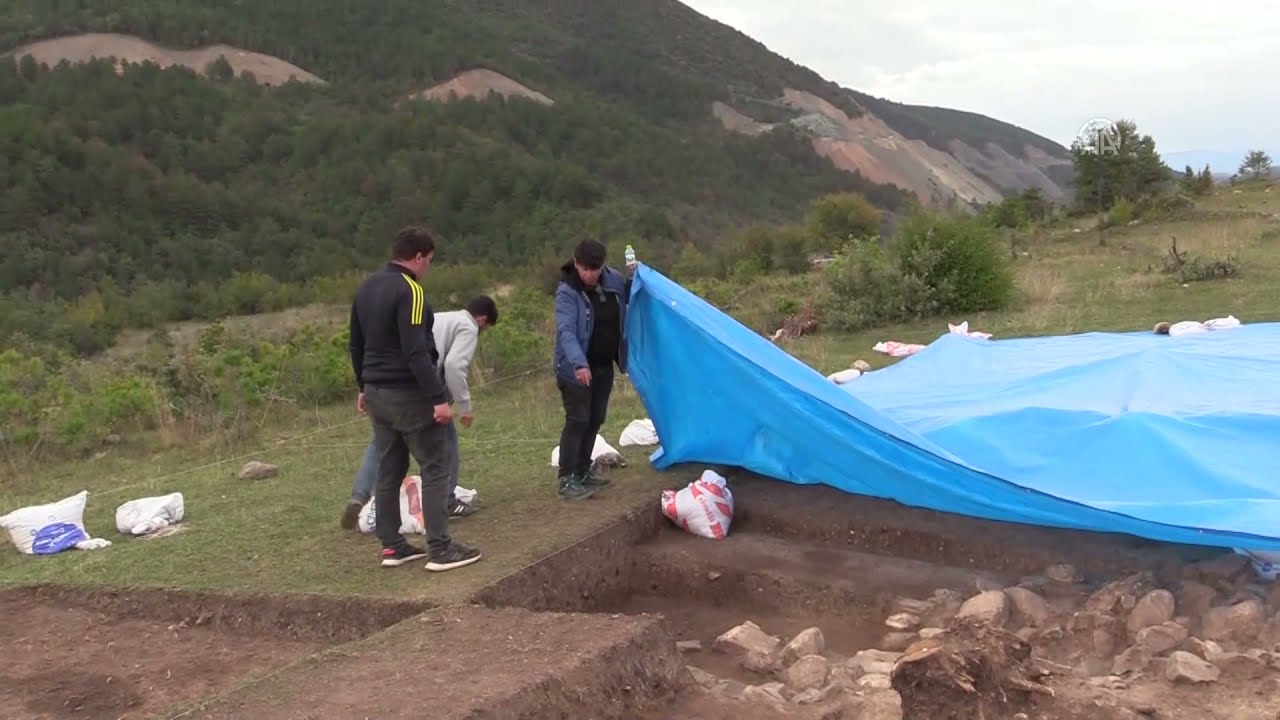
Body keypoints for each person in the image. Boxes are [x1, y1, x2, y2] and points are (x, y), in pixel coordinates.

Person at [348, 225, 481, 571]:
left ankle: (392, 546)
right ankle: (440, 548)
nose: (428, 268)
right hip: (407, 393)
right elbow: (416, 350)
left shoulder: (366, 287)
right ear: (419, 257)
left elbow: (356, 344)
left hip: (376, 393)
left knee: (389, 467)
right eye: (429, 261)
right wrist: (438, 397)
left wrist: (363, 385)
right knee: (435, 465)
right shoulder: (412, 291)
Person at [340, 296, 499, 527]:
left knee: (381, 444)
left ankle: (359, 495)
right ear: (482, 320)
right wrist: (464, 406)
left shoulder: (443, 318)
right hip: (422, 384)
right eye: (486, 327)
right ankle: (447, 500)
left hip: (391, 381)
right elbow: (454, 367)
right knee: (447, 441)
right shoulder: (468, 326)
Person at [553, 238, 634, 500]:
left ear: (603, 266)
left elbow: (630, 296)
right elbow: (566, 331)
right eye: (585, 268)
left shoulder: (613, 280)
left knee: (596, 418)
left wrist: (634, 278)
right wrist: (579, 363)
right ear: (576, 263)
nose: (589, 274)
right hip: (574, 368)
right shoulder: (567, 292)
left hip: (603, 364)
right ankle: (567, 478)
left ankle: (583, 470)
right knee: (578, 420)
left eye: (595, 269)